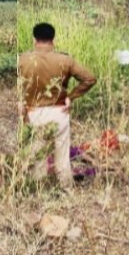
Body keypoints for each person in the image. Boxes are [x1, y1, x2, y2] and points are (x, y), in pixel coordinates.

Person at [18, 22, 96, 191]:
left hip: (34, 113)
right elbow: (89, 78)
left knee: (37, 156)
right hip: (59, 112)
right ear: (53, 40)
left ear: (34, 40)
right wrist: (71, 96)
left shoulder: (22, 60)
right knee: (62, 156)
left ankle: (38, 191)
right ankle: (66, 190)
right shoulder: (65, 59)